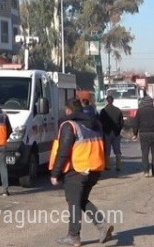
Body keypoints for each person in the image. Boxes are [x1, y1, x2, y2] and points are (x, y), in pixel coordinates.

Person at [49, 98, 114, 246]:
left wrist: (55, 173)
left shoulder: (69, 125)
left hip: (77, 170)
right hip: (95, 169)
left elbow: (63, 151)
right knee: (81, 200)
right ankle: (102, 225)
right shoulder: (96, 124)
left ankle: (73, 236)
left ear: (68, 110)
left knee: (74, 202)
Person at [98, 95, 124, 170]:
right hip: (116, 132)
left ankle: (107, 165)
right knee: (117, 149)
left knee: (107, 149)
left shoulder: (103, 111)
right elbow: (121, 122)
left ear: (107, 101)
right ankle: (118, 166)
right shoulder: (118, 110)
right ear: (113, 101)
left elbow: (100, 122)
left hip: (107, 132)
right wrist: (118, 129)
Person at [132, 93, 154, 177]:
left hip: (144, 134)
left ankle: (146, 172)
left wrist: (135, 134)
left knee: (144, 153)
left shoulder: (140, 111)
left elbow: (136, 123)